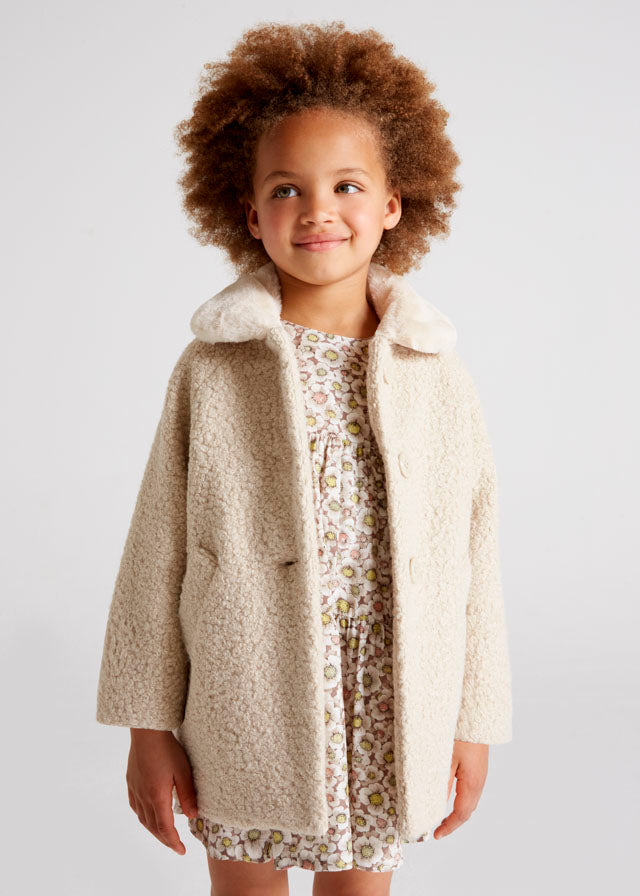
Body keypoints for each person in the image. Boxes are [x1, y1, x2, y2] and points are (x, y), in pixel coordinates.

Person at [96, 20, 513, 896]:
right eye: (286, 189)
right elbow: (155, 550)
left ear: (393, 203)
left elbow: (474, 553)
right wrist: (145, 724)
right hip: (246, 690)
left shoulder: (434, 371)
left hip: (389, 696)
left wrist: (473, 720)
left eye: (347, 185)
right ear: (251, 215)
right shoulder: (214, 367)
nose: (318, 210)